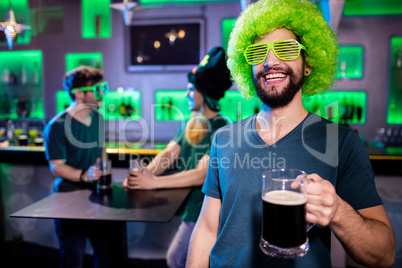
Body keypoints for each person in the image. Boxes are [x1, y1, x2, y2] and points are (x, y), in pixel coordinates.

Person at [186, 0, 396, 267]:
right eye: (257, 52)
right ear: (246, 66)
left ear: (308, 64)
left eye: (285, 49)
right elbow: (206, 228)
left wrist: (338, 212)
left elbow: (385, 254)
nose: (270, 61)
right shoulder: (224, 139)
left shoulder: (342, 143)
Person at [123, 47, 233, 268]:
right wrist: (143, 175)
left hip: (205, 209)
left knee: (177, 259)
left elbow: (203, 174)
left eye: (191, 90)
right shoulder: (192, 123)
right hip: (190, 207)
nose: (186, 95)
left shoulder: (222, 126)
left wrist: (154, 182)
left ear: (205, 93)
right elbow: (169, 153)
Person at [43, 66, 109, 268]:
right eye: (97, 89)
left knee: (106, 254)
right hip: (69, 198)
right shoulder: (57, 126)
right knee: (74, 259)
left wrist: (104, 172)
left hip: (97, 195)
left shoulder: (98, 118)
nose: (102, 94)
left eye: (103, 88)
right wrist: (83, 175)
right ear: (79, 93)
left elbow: (102, 150)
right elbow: (57, 167)